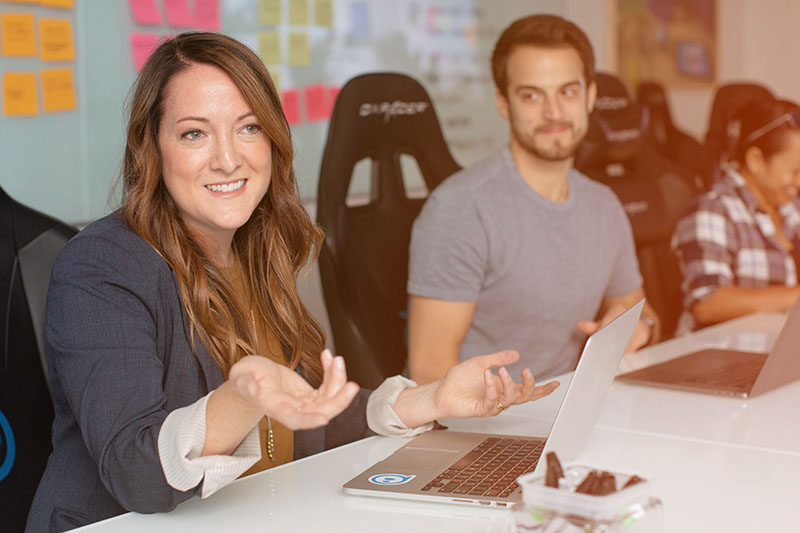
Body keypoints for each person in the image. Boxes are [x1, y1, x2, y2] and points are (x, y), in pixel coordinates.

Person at [25, 32, 559, 532]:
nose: (228, 158)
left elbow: (309, 413)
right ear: (153, 149)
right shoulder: (101, 266)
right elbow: (135, 470)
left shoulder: (254, 251)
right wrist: (246, 394)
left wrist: (429, 399)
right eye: (194, 133)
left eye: (248, 127)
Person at [407, 15, 660, 385]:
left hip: (570, 413)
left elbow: (642, 312)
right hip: (484, 429)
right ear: (504, 103)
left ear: (590, 97)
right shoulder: (460, 209)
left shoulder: (604, 206)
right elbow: (429, 373)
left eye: (567, 92)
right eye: (531, 95)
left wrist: (641, 327)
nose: (553, 113)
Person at [672, 97, 800, 331]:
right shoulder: (714, 209)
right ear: (756, 160)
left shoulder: (791, 208)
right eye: (795, 171)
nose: (799, 182)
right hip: (726, 355)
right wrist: (795, 298)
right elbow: (708, 303)